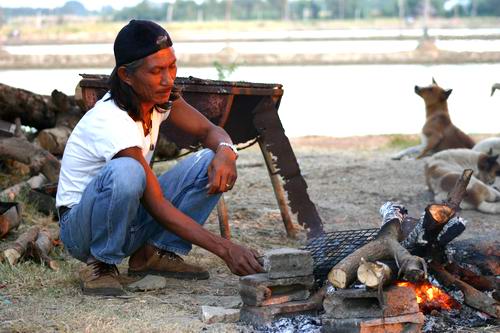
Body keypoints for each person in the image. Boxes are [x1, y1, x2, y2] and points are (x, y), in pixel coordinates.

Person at [56, 19, 263, 296]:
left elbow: (208, 130)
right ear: (126, 76)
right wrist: (225, 249)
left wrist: (227, 151)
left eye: (172, 66)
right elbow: (156, 204)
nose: (168, 79)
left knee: (209, 159)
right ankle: (101, 264)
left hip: (127, 219)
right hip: (82, 230)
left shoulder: (158, 99)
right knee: (128, 171)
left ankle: (153, 254)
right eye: (156, 71)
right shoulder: (111, 118)